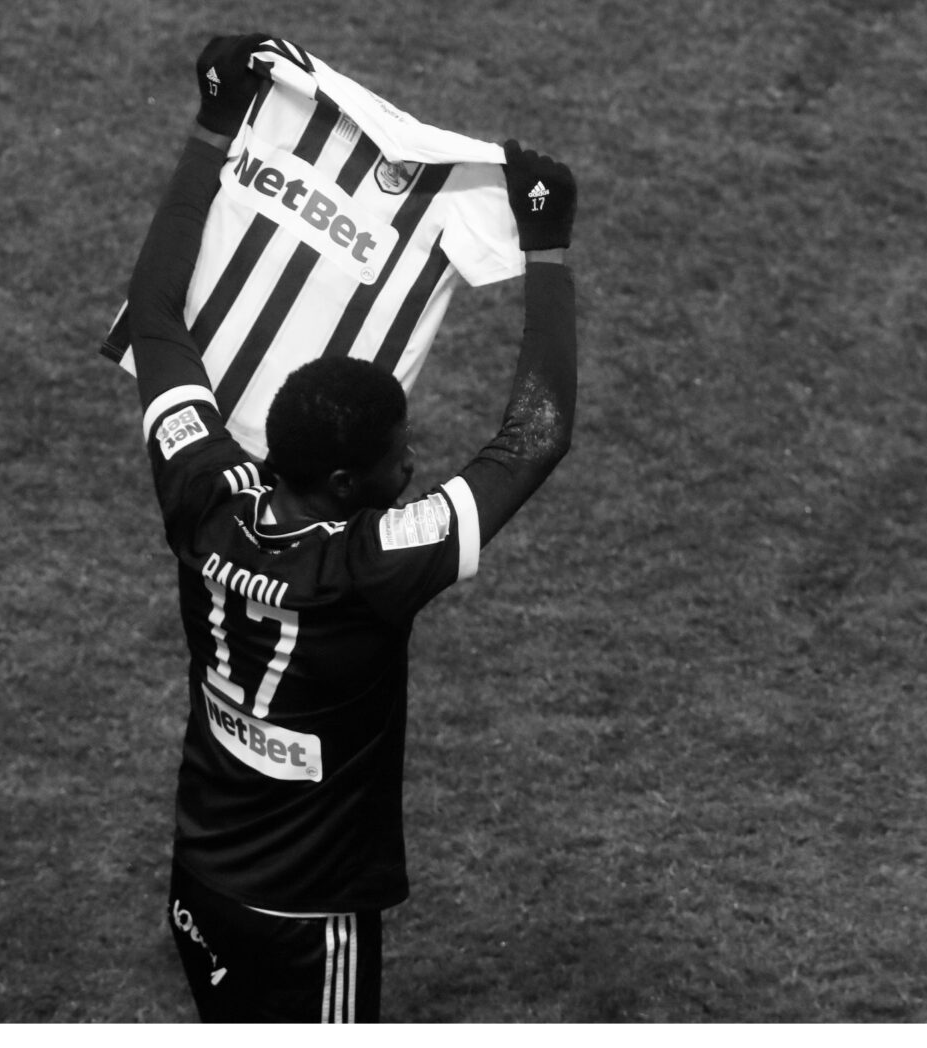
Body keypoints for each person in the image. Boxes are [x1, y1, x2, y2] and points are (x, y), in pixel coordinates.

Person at [121, 34, 577, 1023]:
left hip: (202, 877)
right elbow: (535, 438)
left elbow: (156, 319)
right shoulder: (367, 570)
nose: (409, 469)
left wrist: (215, 119)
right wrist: (547, 247)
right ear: (339, 480)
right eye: (395, 459)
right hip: (304, 916)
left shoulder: (204, 492)